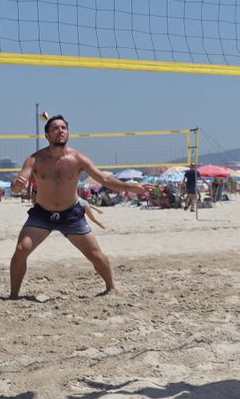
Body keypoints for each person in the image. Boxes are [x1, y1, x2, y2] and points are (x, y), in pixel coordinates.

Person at [8, 115, 145, 298]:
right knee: (21, 250)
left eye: (63, 128)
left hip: (70, 214)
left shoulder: (78, 159)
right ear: (47, 135)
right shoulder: (35, 159)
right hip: (42, 214)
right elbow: (18, 183)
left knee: (97, 256)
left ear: (68, 132)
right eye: (55, 128)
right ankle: (14, 295)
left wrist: (130, 188)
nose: (60, 131)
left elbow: (104, 179)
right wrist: (16, 185)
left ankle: (111, 286)